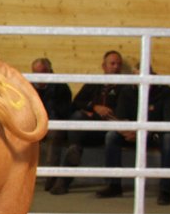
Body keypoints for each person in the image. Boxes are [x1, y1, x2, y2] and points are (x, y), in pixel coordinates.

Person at [97, 68, 170, 205]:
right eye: (137, 76)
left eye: (144, 76)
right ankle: (114, 185)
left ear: (152, 76)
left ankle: (165, 190)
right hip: (133, 134)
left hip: (156, 134)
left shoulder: (166, 92)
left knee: (169, 138)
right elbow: (121, 118)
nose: (140, 80)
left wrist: (144, 132)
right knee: (111, 136)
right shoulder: (127, 91)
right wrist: (128, 131)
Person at [50, 49, 125, 196]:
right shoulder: (95, 83)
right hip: (92, 128)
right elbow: (76, 103)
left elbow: (127, 110)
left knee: (110, 136)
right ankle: (65, 176)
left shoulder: (126, 86)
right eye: (112, 63)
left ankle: (113, 185)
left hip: (113, 128)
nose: (115, 67)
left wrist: (108, 114)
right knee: (77, 118)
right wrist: (94, 107)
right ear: (104, 66)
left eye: (118, 64)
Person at [31, 57, 74, 191]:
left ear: (50, 71)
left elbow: (65, 111)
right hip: (34, 123)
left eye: (43, 73)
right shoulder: (28, 86)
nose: (40, 77)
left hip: (53, 123)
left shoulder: (61, 87)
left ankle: (51, 175)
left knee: (54, 134)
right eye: (36, 73)